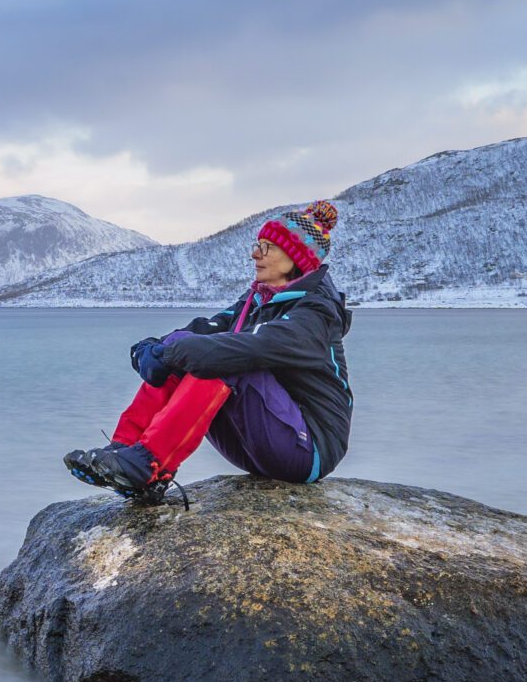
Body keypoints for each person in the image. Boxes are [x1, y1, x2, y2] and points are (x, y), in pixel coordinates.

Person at [64, 200, 352, 506]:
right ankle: (124, 452)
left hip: (308, 451)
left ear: (295, 257)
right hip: (259, 442)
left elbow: (252, 346)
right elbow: (206, 330)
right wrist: (156, 347)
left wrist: (173, 350)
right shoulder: (256, 299)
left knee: (225, 358)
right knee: (192, 350)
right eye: (258, 244)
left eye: (267, 247)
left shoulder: (316, 312)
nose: (255, 253)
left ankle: (148, 463)